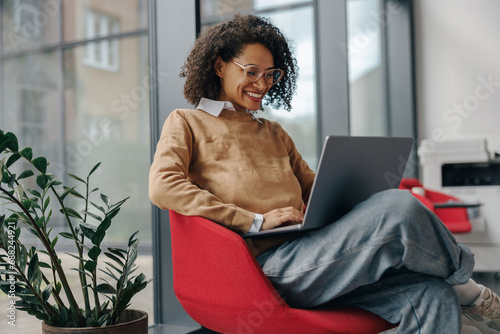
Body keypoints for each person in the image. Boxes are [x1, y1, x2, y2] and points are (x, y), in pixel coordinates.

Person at [149, 14, 500, 333]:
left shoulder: (273, 133)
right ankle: (469, 288)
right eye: (251, 71)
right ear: (220, 66)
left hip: (316, 257)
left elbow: (317, 189)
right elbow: (163, 186)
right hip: (264, 271)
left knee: (431, 294)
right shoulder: (187, 122)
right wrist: (253, 220)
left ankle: (452, 285)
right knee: (401, 207)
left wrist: (361, 193)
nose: (262, 83)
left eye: (271, 74)